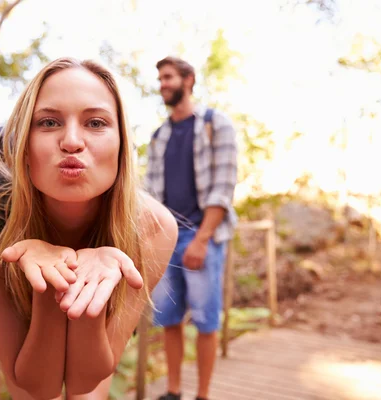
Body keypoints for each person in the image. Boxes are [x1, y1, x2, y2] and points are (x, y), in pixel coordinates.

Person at [0, 57, 178, 400]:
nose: (71, 141)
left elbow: (87, 383)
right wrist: (49, 285)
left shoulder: (153, 227)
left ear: (122, 146)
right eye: (49, 122)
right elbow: (33, 385)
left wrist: (85, 290)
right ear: (23, 146)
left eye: (95, 122)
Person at [145, 56, 238, 400]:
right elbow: (150, 195)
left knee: (205, 320)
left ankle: (203, 394)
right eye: (160, 78)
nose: (162, 84)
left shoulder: (217, 124)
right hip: (165, 239)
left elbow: (223, 188)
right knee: (169, 318)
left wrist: (201, 240)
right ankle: (173, 390)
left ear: (189, 79)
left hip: (204, 236)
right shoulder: (159, 136)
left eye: (168, 77)